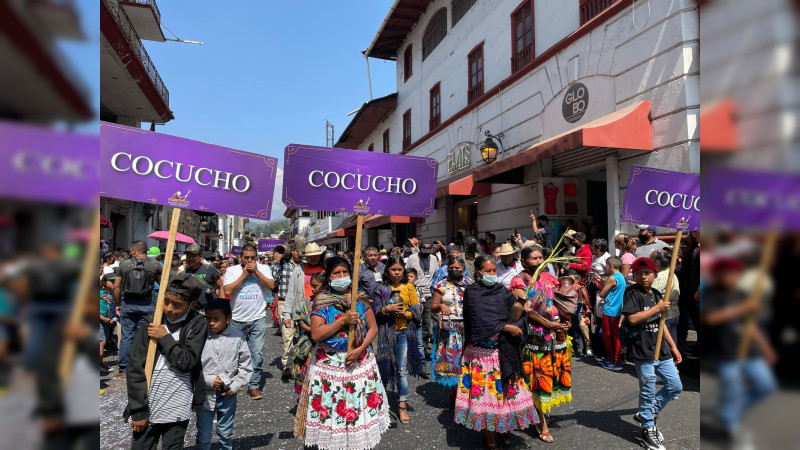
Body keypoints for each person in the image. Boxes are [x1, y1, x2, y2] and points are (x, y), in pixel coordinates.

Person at [294, 257, 389, 449]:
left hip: (360, 362)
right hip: (330, 366)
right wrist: (342, 321)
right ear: (329, 277)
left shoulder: (360, 298)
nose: (342, 276)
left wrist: (359, 350)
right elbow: (316, 333)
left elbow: (373, 329)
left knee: (357, 406)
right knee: (333, 410)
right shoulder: (322, 301)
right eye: (337, 273)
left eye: (346, 272)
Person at [456, 255, 539, 449]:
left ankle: (502, 429)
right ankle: (490, 438)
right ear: (478, 272)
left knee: (504, 396)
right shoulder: (472, 293)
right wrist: (505, 327)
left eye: (494, 271)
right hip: (481, 355)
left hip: (503, 352)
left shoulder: (502, 291)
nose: (492, 274)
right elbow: (478, 322)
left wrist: (517, 323)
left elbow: (518, 313)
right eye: (488, 271)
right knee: (487, 397)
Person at [124, 273, 208, 450]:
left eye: (177, 305)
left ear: (192, 304)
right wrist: (138, 409)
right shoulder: (151, 323)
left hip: (178, 406)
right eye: (166, 301)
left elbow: (187, 361)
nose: (168, 308)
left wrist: (165, 337)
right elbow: (135, 368)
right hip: (149, 404)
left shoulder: (197, 324)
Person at [701, 257, 777, 446]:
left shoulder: (742, 294)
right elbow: (710, 319)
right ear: (717, 275)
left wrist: (766, 348)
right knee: (732, 387)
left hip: (749, 352)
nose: (731, 277)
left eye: (735, 274)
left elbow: (751, 325)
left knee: (766, 386)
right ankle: (732, 426)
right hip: (724, 353)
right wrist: (742, 308)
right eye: (726, 273)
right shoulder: (711, 294)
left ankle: (729, 413)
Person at [621, 257, 682, 450]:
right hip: (643, 350)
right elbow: (632, 319)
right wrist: (657, 308)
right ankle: (647, 428)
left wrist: (673, 346)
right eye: (638, 273)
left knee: (675, 386)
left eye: (647, 273)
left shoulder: (656, 294)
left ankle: (646, 413)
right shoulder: (632, 293)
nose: (643, 277)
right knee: (647, 390)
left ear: (655, 275)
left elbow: (662, 324)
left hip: (661, 350)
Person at [512, 246, 571, 444]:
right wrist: (548, 324)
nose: (539, 261)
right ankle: (540, 423)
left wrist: (565, 320)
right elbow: (526, 309)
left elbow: (559, 302)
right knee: (536, 378)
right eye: (534, 258)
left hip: (555, 336)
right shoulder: (519, 281)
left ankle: (538, 412)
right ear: (523, 260)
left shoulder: (549, 278)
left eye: (541, 257)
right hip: (533, 337)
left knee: (549, 376)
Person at [372, 256, 422, 425]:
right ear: (388, 270)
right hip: (386, 334)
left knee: (401, 370)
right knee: (383, 368)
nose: (396, 273)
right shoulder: (381, 288)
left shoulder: (409, 288)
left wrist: (406, 314)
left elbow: (416, 310)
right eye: (393, 269)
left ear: (404, 271)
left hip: (404, 334)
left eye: (399, 270)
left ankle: (402, 406)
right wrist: (387, 309)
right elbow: (375, 311)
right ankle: (379, 404)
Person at [196, 299, 253, 450]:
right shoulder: (201, 336)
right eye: (208, 319)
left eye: (216, 319)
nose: (211, 323)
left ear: (228, 318)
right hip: (205, 396)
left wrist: (235, 386)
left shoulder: (238, 337)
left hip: (227, 395)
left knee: (226, 433)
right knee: (203, 436)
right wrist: (207, 380)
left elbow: (246, 366)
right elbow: (193, 365)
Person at [222, 244, 275, 400]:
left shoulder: (264, 269)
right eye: (246, 258)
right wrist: (244, 276)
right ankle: (236, 381)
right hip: (237, 319)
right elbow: (228, 291)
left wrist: (256, 272)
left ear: (256, 257)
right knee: (234, 353)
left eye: (253, 258)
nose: (250, 260)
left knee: (256, 354)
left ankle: (254, 385)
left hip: (258, 318)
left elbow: (271, 286)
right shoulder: (233, 271)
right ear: (241, 258)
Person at [113, 241, 162, 377]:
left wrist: (118, 303)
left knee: (126, 337)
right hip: (147, 304)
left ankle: (123, 369)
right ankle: (142, 367)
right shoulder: (155, 265)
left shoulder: (124, 264)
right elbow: (163, 284)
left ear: (134, 251)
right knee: (143, 337)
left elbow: (116, 287)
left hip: (128, 304)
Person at [430, 256, 472, 400]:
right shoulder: (441, 285)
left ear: (463, 269)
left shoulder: (470, 284)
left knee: (467, 360)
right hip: (449, 331)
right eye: (451, 268)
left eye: (457, 268)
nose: (454, 270)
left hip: (468, 329)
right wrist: (441, 306)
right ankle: (454, 396)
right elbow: (433, 307)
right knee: (453, 362)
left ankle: (467, 393)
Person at [283, 243, 325, 379]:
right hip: (304, 314)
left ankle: (320, 376)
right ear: (305, 256)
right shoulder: (299, 270)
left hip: (324, 312)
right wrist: (287, 315)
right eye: (310, 256)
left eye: (315, 256)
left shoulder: (326, 269)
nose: (313, 258)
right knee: (305, 347)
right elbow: (291, 293)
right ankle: (305, 378)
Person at [291, 272, 325, 394]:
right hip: (309, 342)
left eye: (315, 286)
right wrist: (313, 330)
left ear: (325, 286)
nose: (312, 289)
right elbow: (301, 321)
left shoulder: (329, 303)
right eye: (311, 285)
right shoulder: (308, 301)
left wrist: (319, 332)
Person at [405, 242, 440, 361]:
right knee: (413, 321)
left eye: (428, 253)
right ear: (419, 249)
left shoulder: (434, 259)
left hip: (429, 294)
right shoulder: (412, 258)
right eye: (424, 252)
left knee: (426, 322)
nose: (426, 255)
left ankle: (423, 348)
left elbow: (437, 275)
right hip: (414, 294)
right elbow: (407, 274)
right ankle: (411, 348)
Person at [597, 256, 625, 370]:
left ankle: (615, 361)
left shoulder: (613, 278)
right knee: (610, 336)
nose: (606, 268)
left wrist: (601, 283)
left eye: (606, 266)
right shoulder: (621, 276)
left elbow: (602, 294)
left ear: (611, 265)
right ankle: (612, 358)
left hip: (611, 311)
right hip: (616, 310)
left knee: (611, 337)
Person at [651, 249, 681, 350]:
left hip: (664, 315)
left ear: (658, 263)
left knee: (664, 345)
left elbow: (651, 295)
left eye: (651, 260)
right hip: (674, 313)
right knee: (672, 342)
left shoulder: (660, 277)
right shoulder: (671, 273)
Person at [100, 274, 115, 373]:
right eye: (112, 281)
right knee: (102, 341)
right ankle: (99, 364)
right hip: (99, 319)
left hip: (106, 320)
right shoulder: (99, 293)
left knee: (104, 340)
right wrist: (103, 318)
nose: (114, 283)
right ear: (105, 282)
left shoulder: (111, 293)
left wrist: (109, 319)